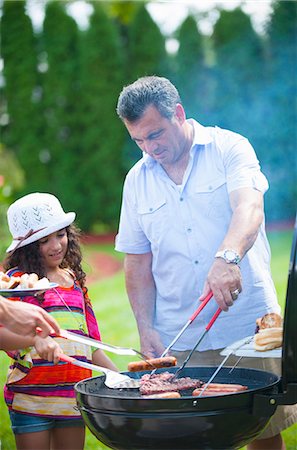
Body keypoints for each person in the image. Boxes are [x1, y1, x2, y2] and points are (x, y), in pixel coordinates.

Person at [115, 76, 297, 450]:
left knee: (262, 430)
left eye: (156, 135)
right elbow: (137, 261)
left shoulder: (229, 148)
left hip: (247, 326)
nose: (149, 148)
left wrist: (227, 257)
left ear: (178, 114)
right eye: (139, 140)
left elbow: (249, 207)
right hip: (178, 330)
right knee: (188, 436)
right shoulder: (136, 180)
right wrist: (145, 327)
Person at [2, 192, 118, 450]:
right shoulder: (17, 284)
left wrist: (117, 376)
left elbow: (91, 344)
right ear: (29, 247)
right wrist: (34, 340)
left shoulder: (75, 283)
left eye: (60, 235)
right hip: (31, 399)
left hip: (72, 398)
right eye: (44, 241)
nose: (56, 245)